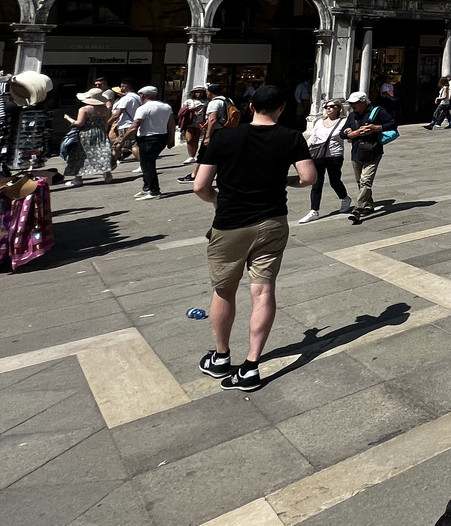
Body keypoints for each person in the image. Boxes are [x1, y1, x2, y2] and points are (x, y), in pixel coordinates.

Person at [192, 84, 314, 392]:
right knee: (263, 292)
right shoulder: (291, 137)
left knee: (224, 291)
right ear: (282, 108)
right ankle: (250, 366)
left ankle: (221, 358)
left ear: (250, 107)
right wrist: (282, 180)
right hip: (273, 222)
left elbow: (200, 186)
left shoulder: (224, 137)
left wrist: (216, 200)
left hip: (231, 223)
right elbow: (308, 178)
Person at [341, 91, 395, 223]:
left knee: (366, 181)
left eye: (355, 103)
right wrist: (350, 133)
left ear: (363, 102)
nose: (352, 105)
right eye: (351, 103)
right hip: (356, 153)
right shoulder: (352, 115)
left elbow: (392, 124)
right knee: (360, 181)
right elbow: (342, 134)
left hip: (373, 151)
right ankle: (369, 205)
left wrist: (376, 128)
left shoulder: (377, 112)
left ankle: (358, 210)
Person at [300, 99, 350, 221]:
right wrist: (304, 151)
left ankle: (345, 198)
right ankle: (314, 210)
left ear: (338, 108)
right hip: (318, 156)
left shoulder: (343, 122)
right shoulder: (319, 122)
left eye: (332, 106)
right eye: (326, 106)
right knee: (317, 183)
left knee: (334, 181)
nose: (328, 108)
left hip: (335, 155)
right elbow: (313, 138)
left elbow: (348, 136)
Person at [59, 88, 114, 187]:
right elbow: (105, 124)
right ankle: (106, 173)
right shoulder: (105, 109)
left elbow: (79, 123)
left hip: (86, 134)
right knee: (101, 153)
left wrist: (68, 118)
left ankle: (78, 178)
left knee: (80, 155)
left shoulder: (84, 109)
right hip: (101, 133)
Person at [130, 86, 173, 200]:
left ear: (143, 95)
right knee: (145, 163)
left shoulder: (143, 108)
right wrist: (171, 138)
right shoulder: (166, 106)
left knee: (148, 164)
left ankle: (154, 190)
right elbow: (171, 124)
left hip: (148, 138)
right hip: (161, 137)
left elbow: (135, 126)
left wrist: (122, 139)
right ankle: (147, 187)